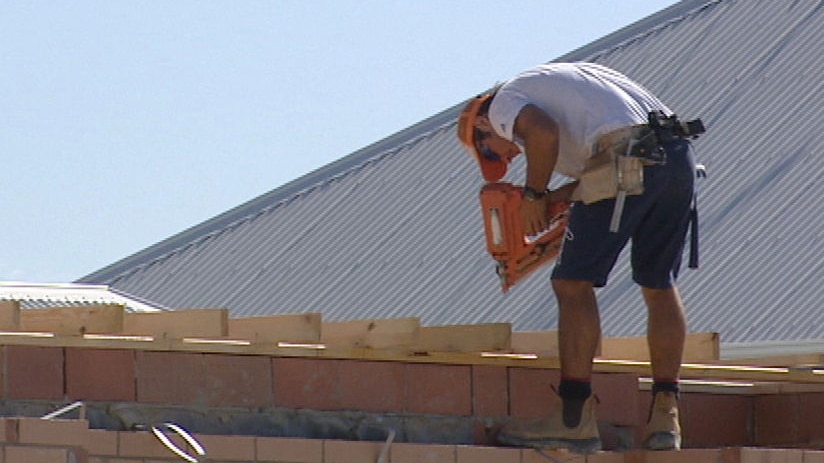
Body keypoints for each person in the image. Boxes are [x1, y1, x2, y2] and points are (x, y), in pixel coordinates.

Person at [457, 62, 700, 453]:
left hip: (626, 157)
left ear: (481, 126)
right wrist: (554, 200)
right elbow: (608, 161)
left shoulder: (501, 106)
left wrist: (534, 195)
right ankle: (664, 418)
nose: (510, 154)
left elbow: (543, 134)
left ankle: (573, 418)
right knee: (659, 284)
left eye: (492, 150)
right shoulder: (571, 81)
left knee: (571, 284)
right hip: (676, 156)